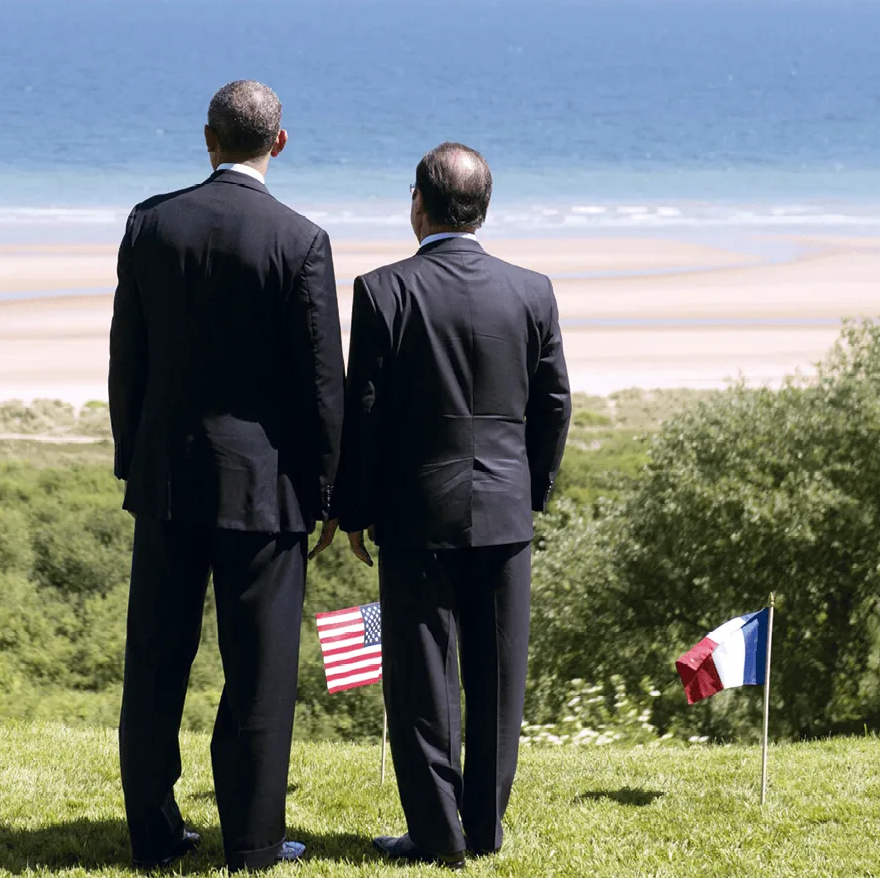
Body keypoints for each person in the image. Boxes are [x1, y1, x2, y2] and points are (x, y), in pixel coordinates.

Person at [109, 80, 344, 871]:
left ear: (207, 137)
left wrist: (130, 461)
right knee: (260, 671)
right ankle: (250, 840)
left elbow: (126, 362)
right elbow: (321, 384)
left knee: (154, 666)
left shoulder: (150, 223)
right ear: (278, 142)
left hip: (167, 479)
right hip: (265, 487)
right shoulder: (301, 240)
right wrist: (328, 493)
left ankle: (152, 834)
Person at [331, 143, 571, 867]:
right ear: (484, 206)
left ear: (418, 203)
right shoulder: (532, 290)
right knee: (498, 681)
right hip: (505, 512)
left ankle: (437, 836)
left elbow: (362, 410)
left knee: (421, 680)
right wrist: (529, 490)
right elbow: (554, 403)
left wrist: (353, 508)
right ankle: (485, 828)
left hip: (414, 513)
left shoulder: (382, 290)